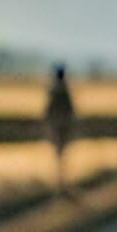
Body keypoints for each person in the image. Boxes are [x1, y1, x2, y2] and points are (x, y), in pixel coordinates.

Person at [43, 62, 75, 193]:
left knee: (59, 154)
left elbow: (48, 110)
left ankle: (60, 182)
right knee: (62, 154)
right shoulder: (63, 89)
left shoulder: (53, 90)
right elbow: (70, 110)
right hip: (63, 125)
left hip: (57, 125)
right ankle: (61, 182)